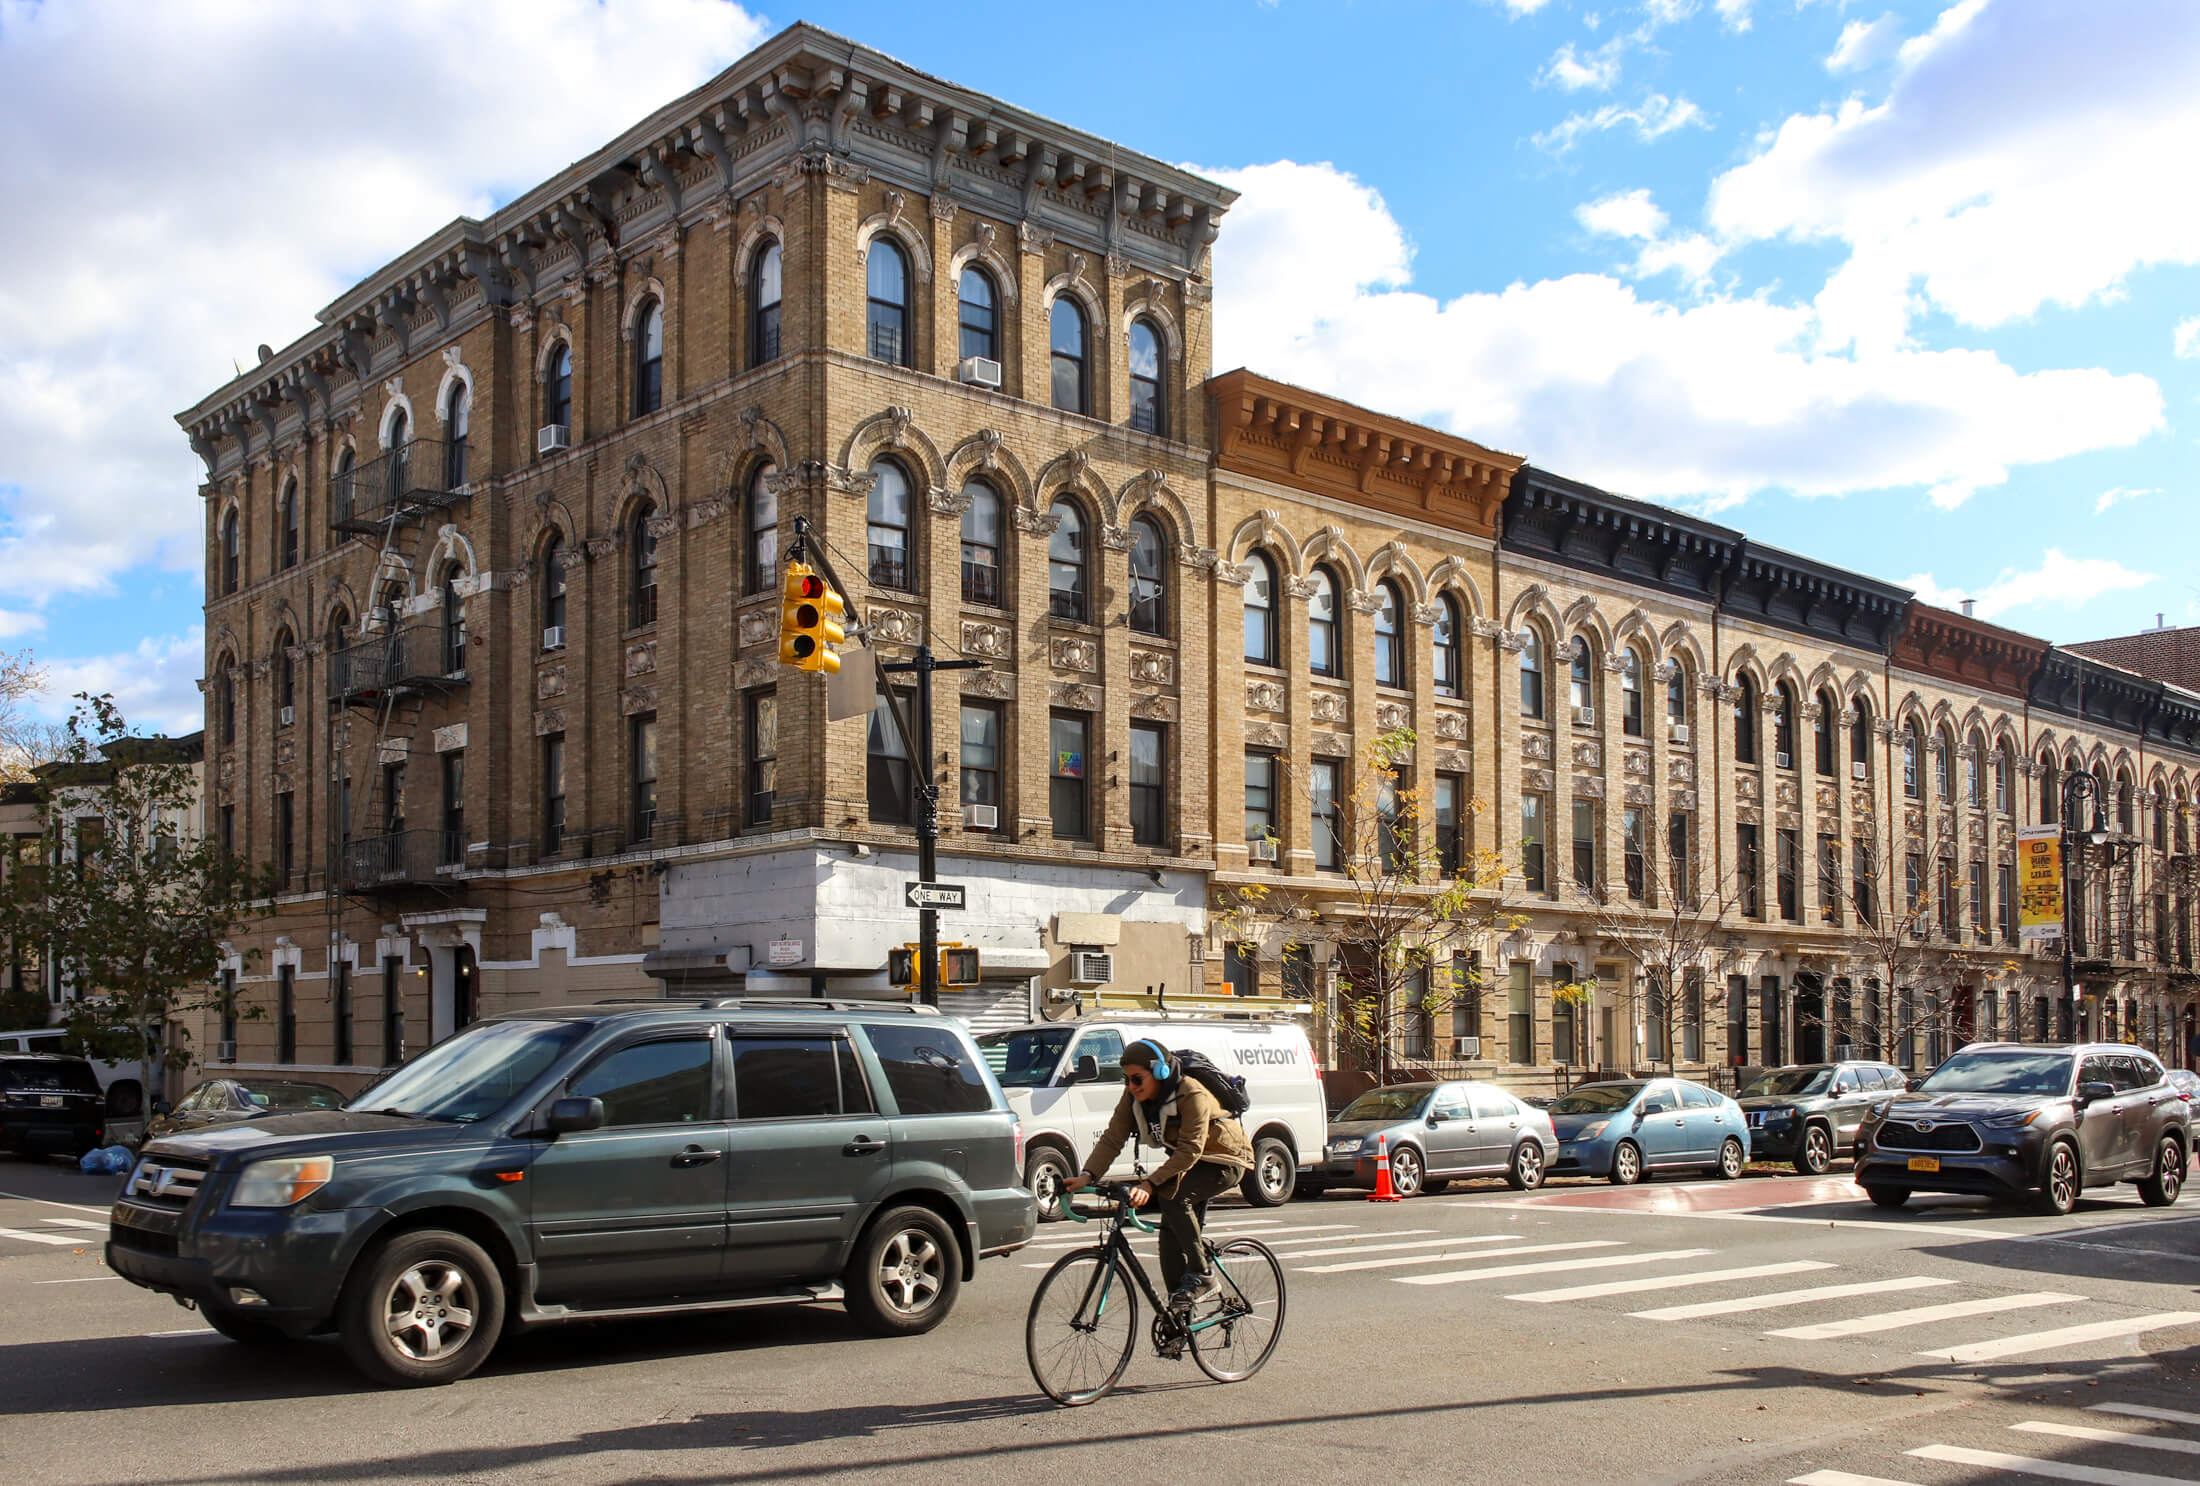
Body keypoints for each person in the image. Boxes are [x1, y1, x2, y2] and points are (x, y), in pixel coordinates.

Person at [1064, 1039, 1253, 1312]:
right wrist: (1086, 1176)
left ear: (1160, 1071)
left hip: (1224, 1159)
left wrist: (1149, 1184)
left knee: (1173, 1199)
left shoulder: (1192, 1093)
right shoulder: (1133, 1097)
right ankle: (1179, 1313)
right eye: (1126, 1079)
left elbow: (1190, 1150)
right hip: (1188, 1162)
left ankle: (1203, 1275)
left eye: (1137, 1079)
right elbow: (1112, 1138)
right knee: (1168, 1235)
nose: (1132, 1086)